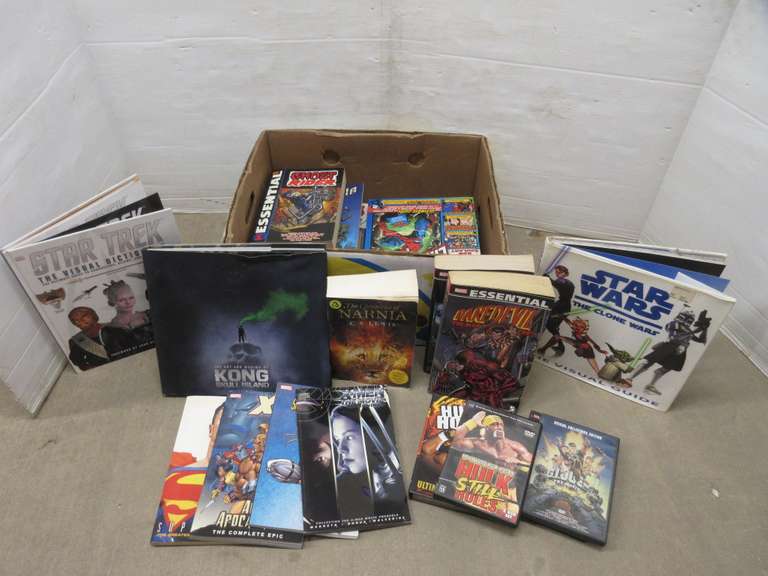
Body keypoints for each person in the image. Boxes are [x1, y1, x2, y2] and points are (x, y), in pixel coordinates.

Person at [627, 308, 710, 395]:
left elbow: (701, 340)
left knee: (667, 368)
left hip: (681, 351)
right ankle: (629, 379)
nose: (686, 321)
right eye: (684, 318)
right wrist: (694, 330)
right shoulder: (675, 324)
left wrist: (705, 328)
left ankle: (651, 385)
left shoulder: (688, 330)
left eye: (689, 320)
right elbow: (673, 336)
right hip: (670, 346)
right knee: (649, 361)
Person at [538, 265, 574, 356]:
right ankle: (560, 346)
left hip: (563, 307)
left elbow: (557, 284)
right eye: (556, 272)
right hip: (561, 305)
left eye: (559, 272)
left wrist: (548, 278)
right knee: (550, 325)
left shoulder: (565, 282)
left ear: (565, 273)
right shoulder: (564, 281)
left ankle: (558, 345)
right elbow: (557, 284)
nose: (557, 274)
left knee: (550, 326)